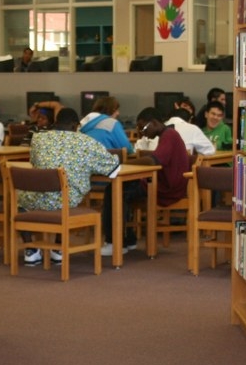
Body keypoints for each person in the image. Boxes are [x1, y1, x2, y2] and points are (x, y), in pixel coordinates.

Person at [18, 107, 120, 265]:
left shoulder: (38, 139)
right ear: (75, 125)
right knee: (66, 195)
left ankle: (30, 249)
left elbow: (35, 163)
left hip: (36, 198)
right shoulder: (85, 142)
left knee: (18, 201)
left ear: (55, 123)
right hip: (67, 201)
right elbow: (113, 170)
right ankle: (58, 248)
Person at [101, 107, 191, 256]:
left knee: (114, 190)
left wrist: (123, 165)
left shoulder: (170, 135)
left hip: (166, 188)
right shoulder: (167, 135)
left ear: (154, 123)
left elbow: (153, 160)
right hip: (161, 183)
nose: (142, 132)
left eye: (143, 127)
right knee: (121, 189)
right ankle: (127, 240)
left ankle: (114, 242)